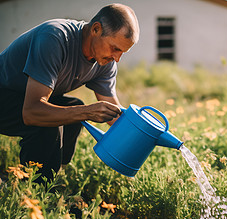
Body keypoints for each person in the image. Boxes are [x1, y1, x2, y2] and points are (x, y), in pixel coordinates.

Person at [0, 3, 139, 182]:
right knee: (49, 124)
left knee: (75, 110)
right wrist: (87, 112)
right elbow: (31, 113)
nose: (117, 58)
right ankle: (33, 194)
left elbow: (114, 114)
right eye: (115, 48)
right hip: (4, 94)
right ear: (96, 29)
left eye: (123, 53)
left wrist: (144, 133)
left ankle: (54, 179)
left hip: (27, 99)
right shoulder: (55, 38)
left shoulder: (105, 61)